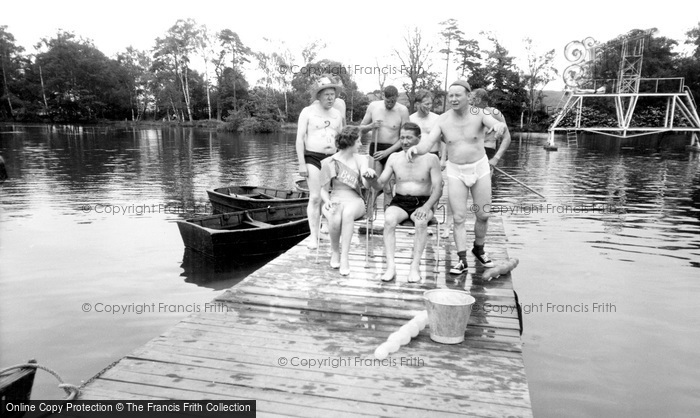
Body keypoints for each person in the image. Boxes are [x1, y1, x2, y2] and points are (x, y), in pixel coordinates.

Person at [407, 80, 509, 274]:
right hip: (456, 171)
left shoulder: (480, 114)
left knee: (483, 214)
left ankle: (479, 249)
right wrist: (415, 148)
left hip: (480, 168)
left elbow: (496, 124)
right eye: (450, 96)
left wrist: (499, 128)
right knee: (459, 217)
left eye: (457, 95)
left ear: (468, 96)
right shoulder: (443, 120)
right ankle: (461, 259)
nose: (453, 99)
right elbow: (427, 144)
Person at [368, 122, 442, 283]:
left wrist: (426, 206)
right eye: (402, 138)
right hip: (400, 201)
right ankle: (391, 266)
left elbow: (438, 189)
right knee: (388, 220)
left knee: (421, 222)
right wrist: (372, 179)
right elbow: (379, 184)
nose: (405, 141)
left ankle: (415, 266)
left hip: (422, 201)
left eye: (409, 137)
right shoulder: (394, 158)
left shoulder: (431, 159)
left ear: (419, 138)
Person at [319, 126, 376, 276]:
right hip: (335, 199)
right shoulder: (330, 162)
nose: (361, 144)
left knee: (348, 213)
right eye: (358, 141)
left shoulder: (362, 159)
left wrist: (369, 176)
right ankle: (335, 252)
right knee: (334, 215)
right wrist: (326, 201)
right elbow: (324, 190)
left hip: (355, 200)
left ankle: (345, 258)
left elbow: (365, 185)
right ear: (350, 142)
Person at [296, 76, 344, 249]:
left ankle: (323, 229)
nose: (330, 98)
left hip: (331, 158)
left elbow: (342, 139)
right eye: (327, 95)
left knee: (327, 196)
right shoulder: (307, 111)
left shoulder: (337, 114)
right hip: (312, 157)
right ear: (319, 95)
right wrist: (301, 163)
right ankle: (313, 237)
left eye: (333, 94)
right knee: (315, 197)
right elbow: (300, 139)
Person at [359, 85, 409, 209]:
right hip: (375, 148)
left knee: (388, 186)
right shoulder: (373, 107)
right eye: (387, 101)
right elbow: (361, 129)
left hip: (393, 150)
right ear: (383, 96)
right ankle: (369, 211)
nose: (390, 104)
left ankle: (388, 212)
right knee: (371, 182)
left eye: (393, 101)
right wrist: (371, 126)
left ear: (397, 98)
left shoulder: (403, 110)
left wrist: (387, 152)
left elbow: (404, 138)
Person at [470, 88, 511, 169]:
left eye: (471, 99)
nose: (469, 101)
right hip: (469, 153)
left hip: (487, 152)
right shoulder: (469, 112)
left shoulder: (494, 113)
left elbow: (507, 138)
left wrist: (496, 158)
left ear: (478, 100)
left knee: (485, 181)